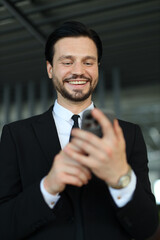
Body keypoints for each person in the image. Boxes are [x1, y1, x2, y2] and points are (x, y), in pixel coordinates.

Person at [0, 21, 158, 240]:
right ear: (50, 69)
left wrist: (121, 178)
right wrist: (48, 186)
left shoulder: (128, 134)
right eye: (67, 62)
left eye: (88, 62)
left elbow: (147, 227)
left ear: (97, 68)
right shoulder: (16, 135)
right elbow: (4, 226)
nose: (78, 71)